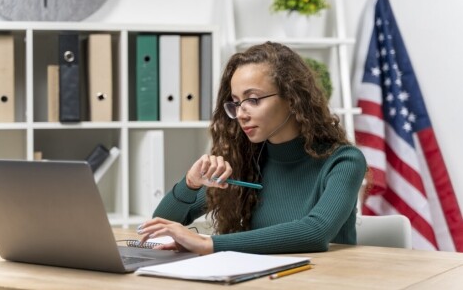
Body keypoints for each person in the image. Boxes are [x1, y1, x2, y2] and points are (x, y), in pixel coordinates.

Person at [137, 41, 367, 255]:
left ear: (292, 98)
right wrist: (190, 183)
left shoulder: (344, 161)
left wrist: (209, 244)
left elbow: (316, 232)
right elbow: (161, 222)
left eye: (253, 100)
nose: (240, 114)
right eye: (236, 103)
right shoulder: (245, 162)